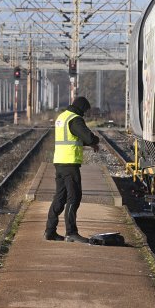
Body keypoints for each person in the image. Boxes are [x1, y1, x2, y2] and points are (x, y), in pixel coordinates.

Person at [45, 96, 100, 242]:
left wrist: (88, 142)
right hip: (70, 163)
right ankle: (71, 232)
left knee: (60, 197)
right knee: (74, 197)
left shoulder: (62, 117)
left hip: (60, 162)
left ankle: (50, 231)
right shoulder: (75, 119)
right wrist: (95, 141)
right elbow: (87, 136)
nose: (85, 114)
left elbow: (72, 137)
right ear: (82, 107)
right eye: (85, 111)